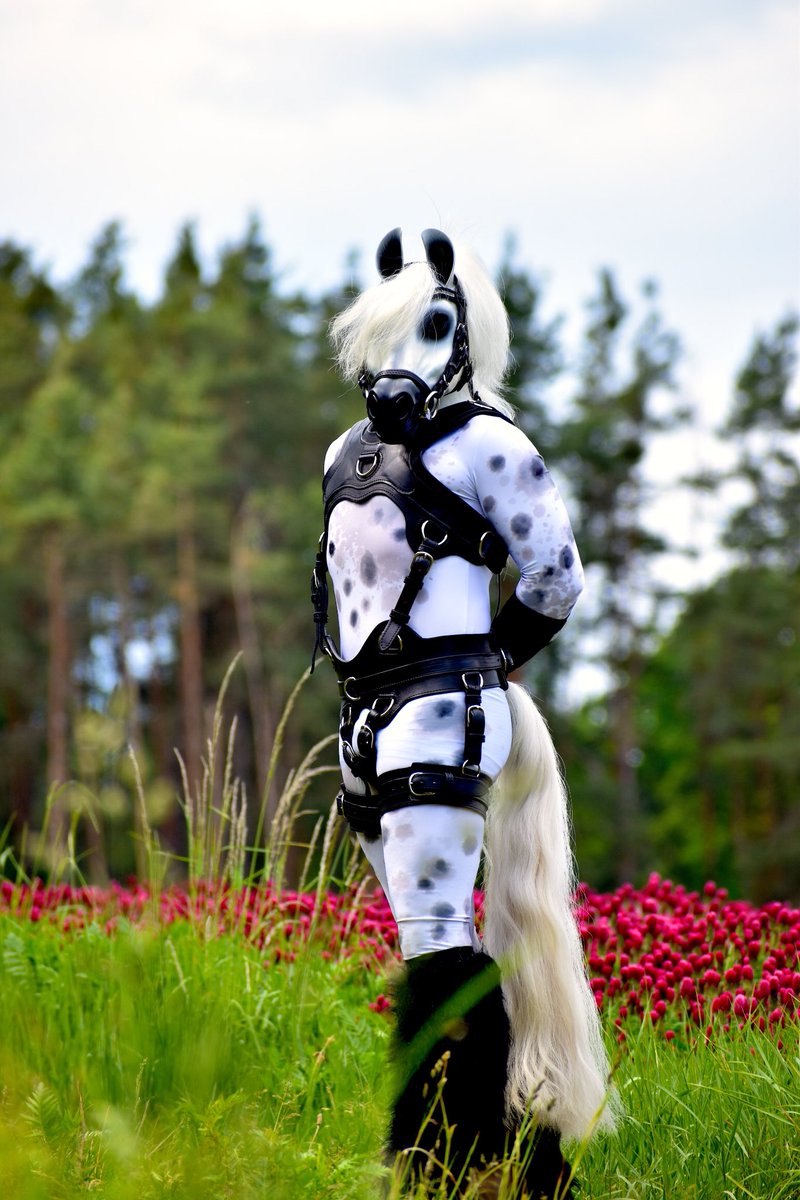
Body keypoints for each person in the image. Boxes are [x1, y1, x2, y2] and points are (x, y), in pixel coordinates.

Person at [311, 228, 608, 1196]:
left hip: (448, 711)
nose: (402, 360)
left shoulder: (491, 445)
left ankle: (438, 1162)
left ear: (464, 335)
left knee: (437, 935)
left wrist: (493, 670)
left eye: (429, 330)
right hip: (366, 726)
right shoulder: (341, 455)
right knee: (434, 938)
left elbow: (555, 579)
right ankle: (522, 1164)